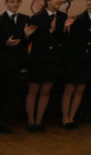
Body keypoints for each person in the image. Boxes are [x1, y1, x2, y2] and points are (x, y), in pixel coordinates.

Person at [0, 0, 31, 134]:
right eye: (12, 2)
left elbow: (26, 42)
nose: (15, 5)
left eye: (17, 2)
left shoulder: (25, 19)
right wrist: (5, 43)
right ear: (6, 3)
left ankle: (4, 121)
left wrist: (26, 37)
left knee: (10, 93)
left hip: (16, 63)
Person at [25, 0, 67, 131]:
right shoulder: (37, 17)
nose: (59, 1)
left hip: (53, 60)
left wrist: (62, 30)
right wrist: (50, 31)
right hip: (37, 60)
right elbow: (33, 40)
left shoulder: (62, 16)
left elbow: (62, 40)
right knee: (33, 90)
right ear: (48, 1)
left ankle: (39, 121)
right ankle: (31, 122)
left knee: (45, 91)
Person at [61, 3, 91, 129]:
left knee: (80, 90)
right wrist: (66, 29)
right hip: (75, 59)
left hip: (88, 60)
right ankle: (65, 118)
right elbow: (68, 41)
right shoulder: (77, 19)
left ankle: (72, 117)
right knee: (70, 89)